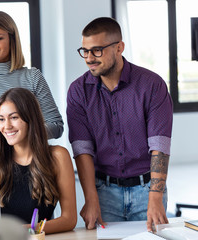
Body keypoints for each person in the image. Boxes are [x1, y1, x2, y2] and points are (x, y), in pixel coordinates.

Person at [66, 17, 173, 232]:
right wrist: (91, 198)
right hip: (103, 192)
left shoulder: (152, 85)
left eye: (97, 50)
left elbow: (159, 145)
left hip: (147, 191)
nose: (89, 58)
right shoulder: (78, 92)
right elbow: (82, 150)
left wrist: (155, 197)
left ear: (119, 47)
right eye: (84, 51)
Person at [0, 11, 63, 139]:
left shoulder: (33, 77)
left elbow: (56, 125)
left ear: (12, 40)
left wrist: (20, 133)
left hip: (30, 157)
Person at [0, 87, 77, 234]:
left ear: (30, 119)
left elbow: (69, 219)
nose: (6, 126)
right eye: (1, 119)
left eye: (14, 117)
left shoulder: (58, 157)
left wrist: (27, 230)